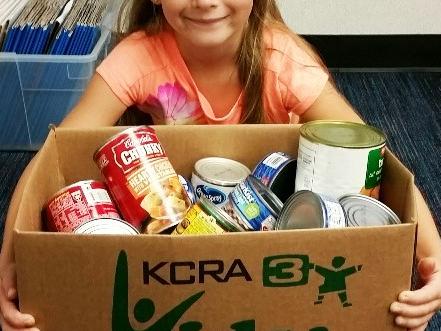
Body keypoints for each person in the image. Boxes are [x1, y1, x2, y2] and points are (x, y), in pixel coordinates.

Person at [0, 0, 440, 330]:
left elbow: (372, 157)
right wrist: (11, 267)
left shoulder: (280, 58)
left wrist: (432, 255)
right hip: (182, 238)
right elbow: (52, 156)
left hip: (276, 242)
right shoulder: (138, 56)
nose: (205, 1)